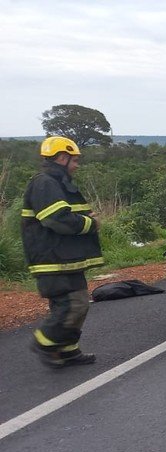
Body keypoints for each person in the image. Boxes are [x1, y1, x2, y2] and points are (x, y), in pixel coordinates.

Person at [21, 136, 103, 368]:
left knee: (79, 304)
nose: (77, 165)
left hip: (65, 258)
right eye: (74, 160)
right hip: (52, 259)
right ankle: (44, 343)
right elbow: (56, 219)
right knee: (71, 305)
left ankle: (67, 350)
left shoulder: (57, 181)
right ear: (61, 157)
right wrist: (90, 223)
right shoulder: (45, 182)